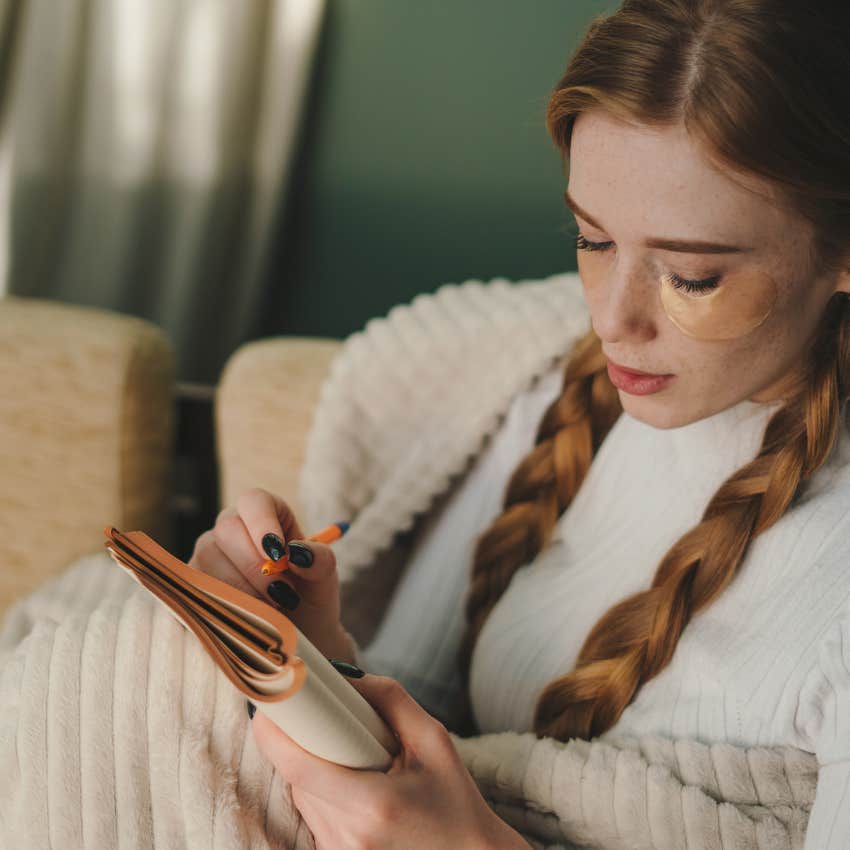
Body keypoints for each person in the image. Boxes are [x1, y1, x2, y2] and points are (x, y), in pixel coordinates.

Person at [195, 1, 850, 847]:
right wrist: (313, 648)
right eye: (591, 240)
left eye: (691, 277)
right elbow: (417, 707)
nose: (610, 321)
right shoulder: (557, 396)